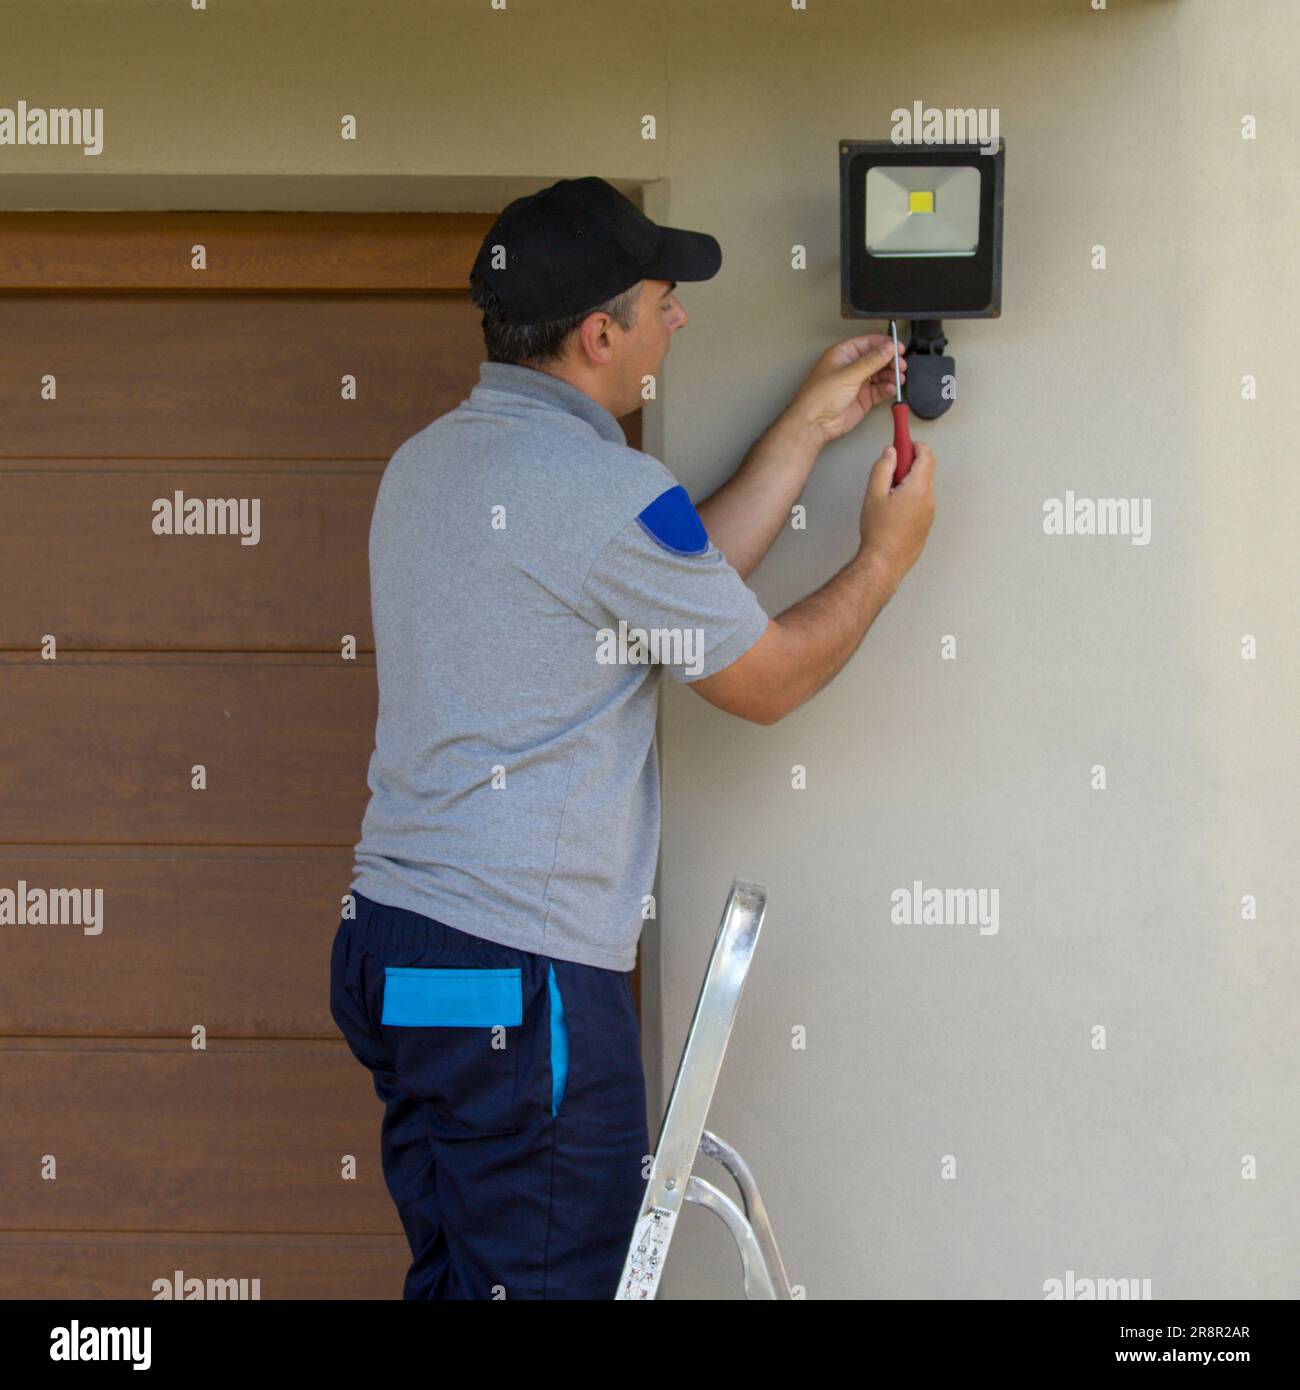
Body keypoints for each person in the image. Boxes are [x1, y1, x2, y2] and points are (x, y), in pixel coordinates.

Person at [329, 176, 937, 1299]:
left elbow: (659, 588)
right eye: (664, 299)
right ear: (601, 334)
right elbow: (763, 678)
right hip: (518, 977)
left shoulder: (429, 466)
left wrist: (801, 432)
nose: (680, 317)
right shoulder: (599, 491)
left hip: (400, 958)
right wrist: (886, 559)